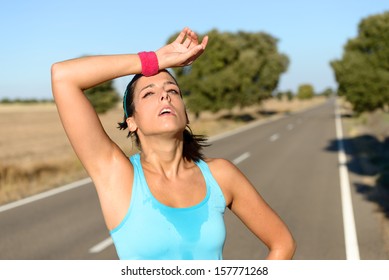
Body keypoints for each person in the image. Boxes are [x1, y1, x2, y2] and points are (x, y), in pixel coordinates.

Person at [51, 27, 296, 260]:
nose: (164, 95)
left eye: (173, 90)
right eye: (149, 93)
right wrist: (154, 60)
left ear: (185, 114)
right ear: (132, 121)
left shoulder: (221, 175)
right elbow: (63, 76)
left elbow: (282, 243)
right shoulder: (118, 176)